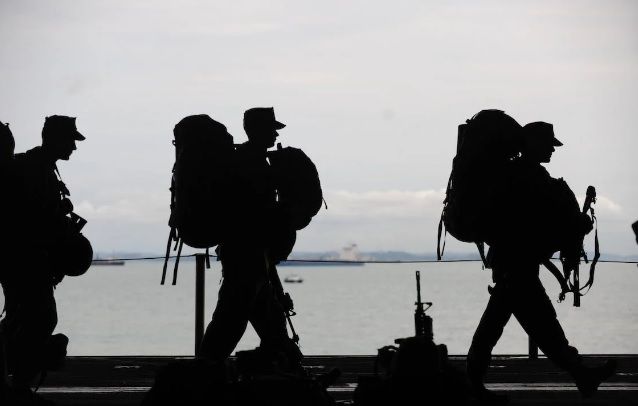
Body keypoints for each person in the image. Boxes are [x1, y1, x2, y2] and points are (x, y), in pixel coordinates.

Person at [466, 121, 616, 404]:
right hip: (517, 267)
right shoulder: (529, 177)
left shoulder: (518, 175)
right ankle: (580, 374)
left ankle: (581, 375)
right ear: (533, 145)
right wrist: (579, 223)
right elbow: (544, 221)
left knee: (525, 327)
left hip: (514, 266)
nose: (552, 150)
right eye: (549, 145)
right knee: (534, 327)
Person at [199, 107, 302, 371]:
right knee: (231, 320)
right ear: (254, 130)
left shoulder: (250, 160)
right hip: (246, 254)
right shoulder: (249, 163)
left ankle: (289, 366)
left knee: (269, 320)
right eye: (270, 129)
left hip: (253, 255)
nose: (274, 134)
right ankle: (204, 372)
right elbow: (252, 213)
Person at [1, 115, 85, 404]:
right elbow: (33, 220)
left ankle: (14, 382)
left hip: (26, 259)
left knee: (19, 319)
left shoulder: (42, 168)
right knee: (41, 318)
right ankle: (20, 384)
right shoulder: (37, 169)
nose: (74, 147)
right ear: (55, 139)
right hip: (26, 259)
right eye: (71, 141)